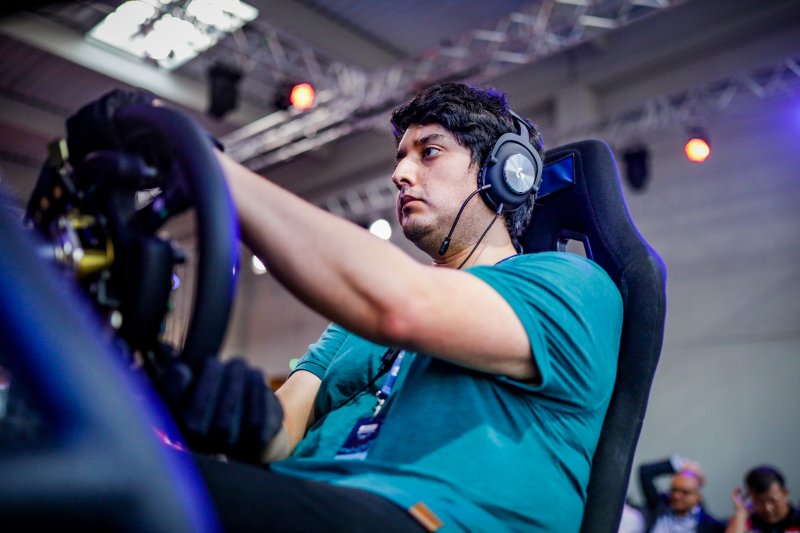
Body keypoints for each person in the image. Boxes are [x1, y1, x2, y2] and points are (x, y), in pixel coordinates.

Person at [68, 83, 623, 532]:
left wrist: (208, 167)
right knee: (80, 464)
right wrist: (241, 422)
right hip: (312, 498)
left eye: (429, 152)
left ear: (506, 172)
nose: (400, 174)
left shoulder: (570, 285)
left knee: (105, 492)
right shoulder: (354, 326)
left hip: (430, 517)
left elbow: (402, 305)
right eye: (400, 157)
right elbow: (284, 431)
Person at [638, 457, 725, 532]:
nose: (677, 496)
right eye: (674, 490)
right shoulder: (659, 506)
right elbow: (645, 472)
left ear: (698, 496)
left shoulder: (708, 525)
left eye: (685, 492)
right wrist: (681, 464)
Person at [726, 465, 800, 533]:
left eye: (773, 501)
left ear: (785, 494)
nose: (767, 508)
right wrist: (741, 512)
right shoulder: (745, 522)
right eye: (759, 502)